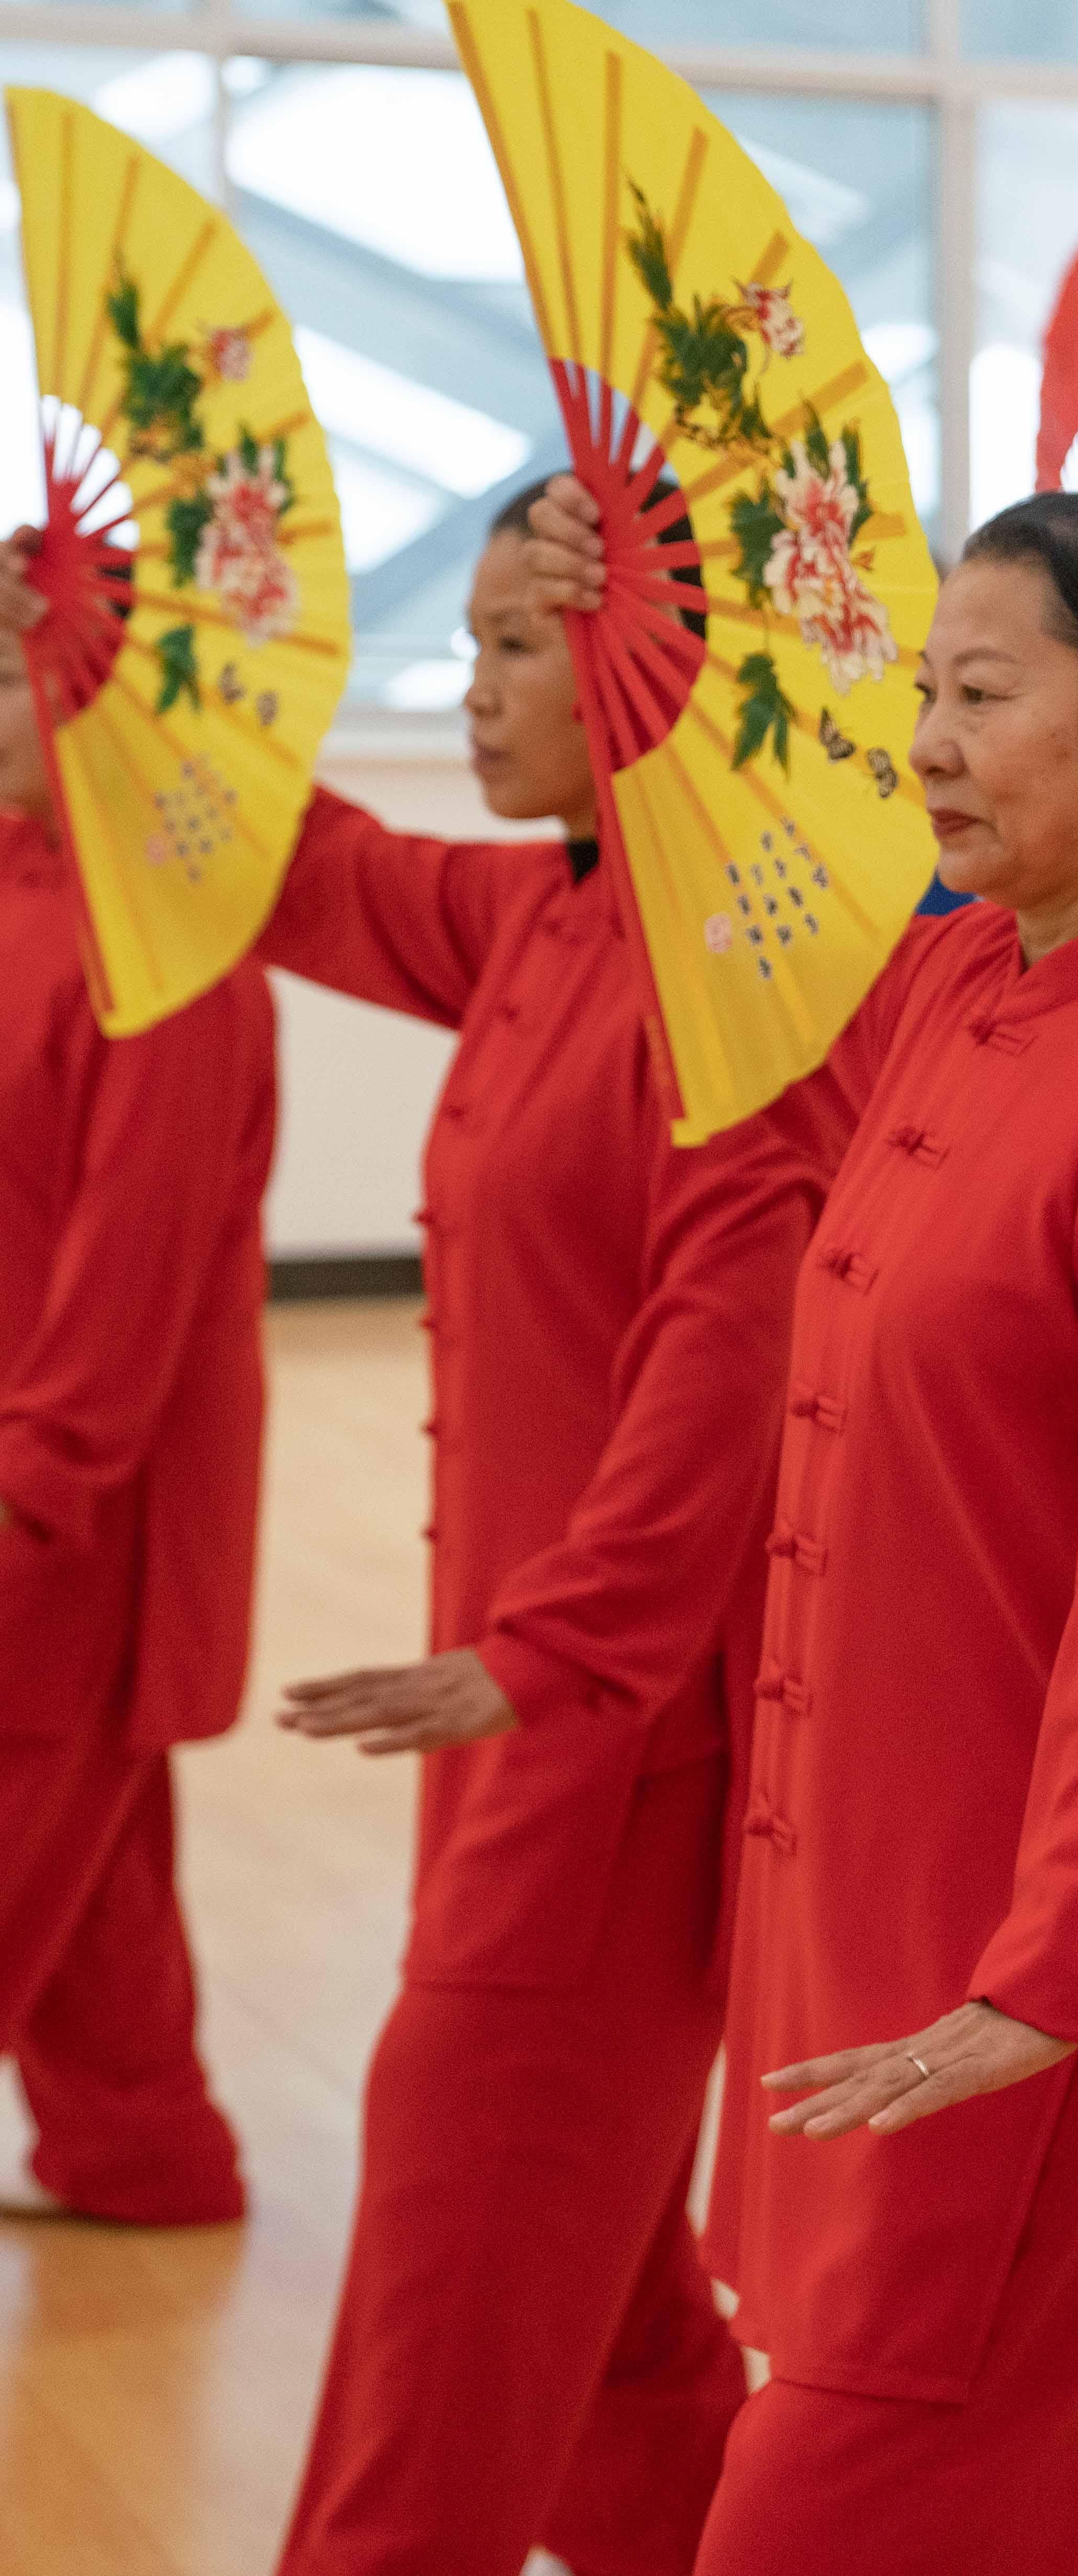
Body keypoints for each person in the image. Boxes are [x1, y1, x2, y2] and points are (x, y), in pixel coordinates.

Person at [524, 482, 1078, 2575]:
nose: (926, 743)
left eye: (983, 694)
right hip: (867, 1943)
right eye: (923, 689)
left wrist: (1055, 1978)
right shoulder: (948, 995)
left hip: (1022, 2001)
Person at [30, 481, 840, 2576]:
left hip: (604, 1736)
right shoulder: (538, 916)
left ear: (652, 665)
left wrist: (554, 1654)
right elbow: (300, 866)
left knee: (444, 2300)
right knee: (603, 2320)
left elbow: (722, 1359)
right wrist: (124, 646)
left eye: (511, 649)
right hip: (496, 1724)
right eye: (466, 644)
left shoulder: (739, 970)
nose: (467, 694)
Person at [0, 593, 270, 2235]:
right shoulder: (21, 889)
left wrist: (33, 1485)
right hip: (36, 1467)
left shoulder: (167, 946)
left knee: (33, 1805)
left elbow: (135, 1268)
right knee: (82, 1854)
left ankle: (141, 2140)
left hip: (77, 1497)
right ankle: (141, 2149)